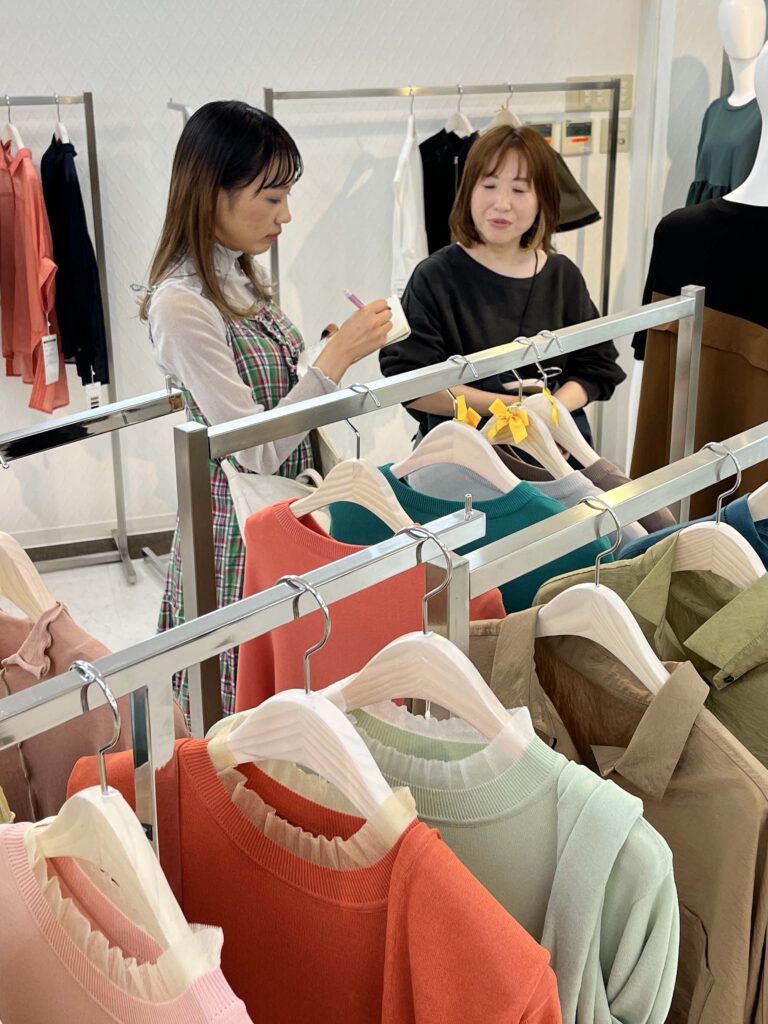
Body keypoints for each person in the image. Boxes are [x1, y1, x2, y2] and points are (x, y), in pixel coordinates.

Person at [139, 100, 392, 718]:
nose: (286, 215)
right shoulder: (180, 304)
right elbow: (253, 448)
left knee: (293, 685)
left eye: (286, 196)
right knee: (243, 706)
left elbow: (269, 398)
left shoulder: (238, 276)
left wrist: (321, 358)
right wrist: (335, 359)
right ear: (212, 194)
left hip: (283, 506)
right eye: (272, 197)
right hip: (238, 526)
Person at [380, 124, 625, 441]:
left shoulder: (562, 276)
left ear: (543, 200)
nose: (502, 203)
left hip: (551, 451)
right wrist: (516, 409)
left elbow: (598, 366)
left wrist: (550, 412)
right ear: (468, 191)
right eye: (489, 185)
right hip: (461, 453)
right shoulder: (435, 276)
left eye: (519, 190)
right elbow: (411, 384)